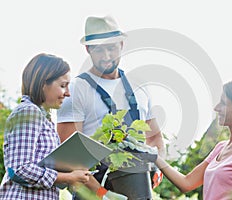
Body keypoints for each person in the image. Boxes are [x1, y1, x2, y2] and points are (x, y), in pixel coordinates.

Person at [56, 15, 165, 197]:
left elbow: (154, 139)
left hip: (138, 187)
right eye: (98, 50)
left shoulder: (140, 87)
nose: (106, 56)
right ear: (88, 49)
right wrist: (102, 194)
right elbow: (69, 159)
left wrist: (158, 168)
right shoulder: (76, 90)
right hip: (93, 193)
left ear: (121, 45)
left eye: (111, 48)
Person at [155, 79, 232, 200]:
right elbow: (187, 183)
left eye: (223, 104)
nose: (216, 108)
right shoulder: (221, 147)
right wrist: (154, 157)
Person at [0, 53, 91, 200]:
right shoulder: (29, 112)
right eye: (63, 86)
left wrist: (71, 175)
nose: (67, 93)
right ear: (43, 83)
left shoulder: (43, 118)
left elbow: (39, 170)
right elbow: (20, 169)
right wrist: (67, 178)